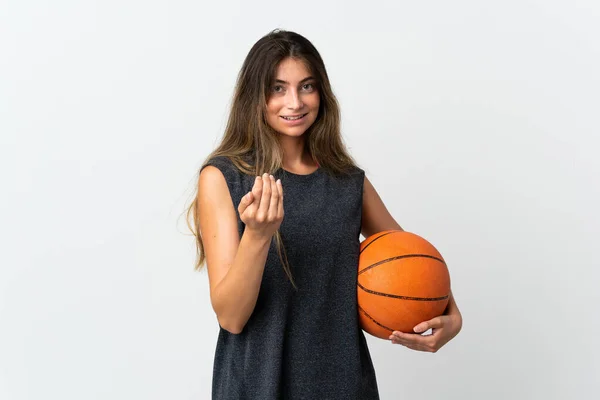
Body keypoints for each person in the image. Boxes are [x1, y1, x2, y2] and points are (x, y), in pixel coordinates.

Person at [187, 29, 463, 400]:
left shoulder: (348, 182)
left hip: (344, 385)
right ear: (256, 96)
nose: (295, 102)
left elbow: (413, 263)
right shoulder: (224, 177)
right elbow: (231, 318)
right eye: (278, 88)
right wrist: (257, 235)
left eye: (307, 86)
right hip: (257, 385)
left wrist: (451, 314)